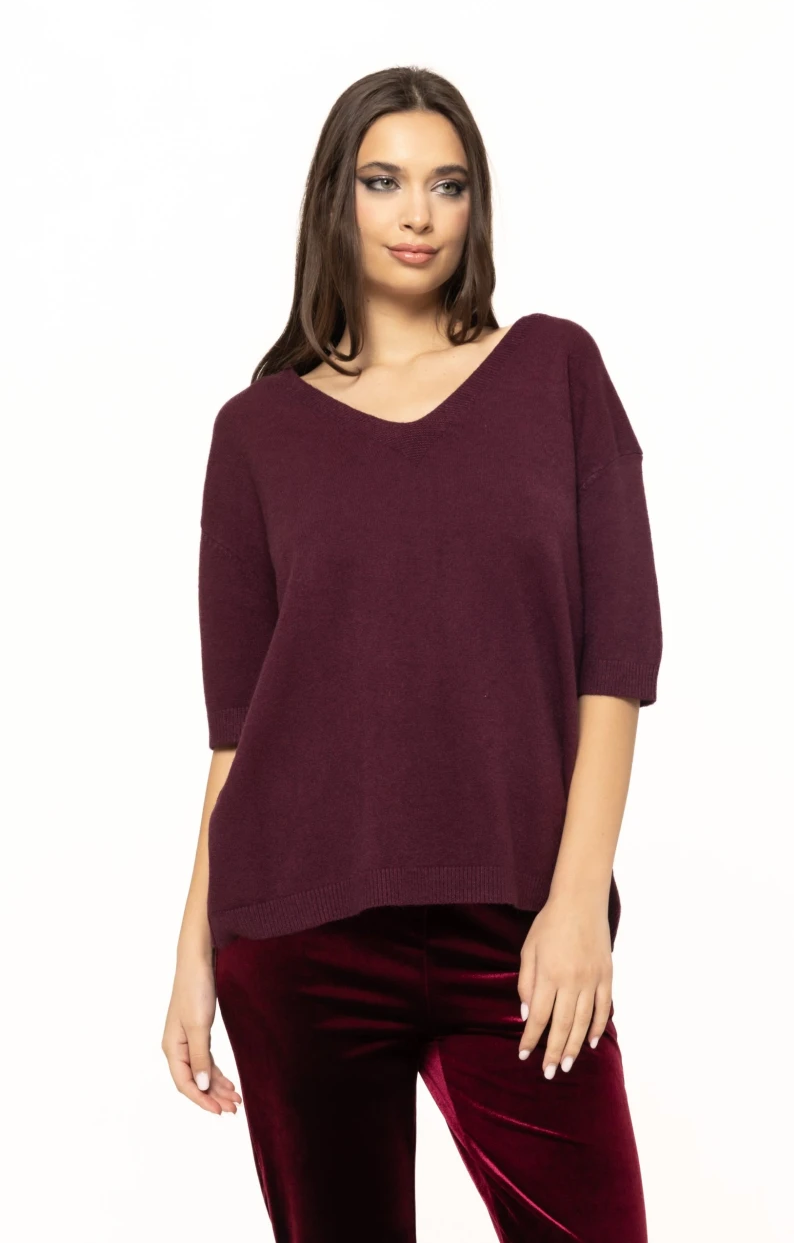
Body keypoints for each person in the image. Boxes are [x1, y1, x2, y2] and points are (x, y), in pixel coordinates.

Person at [162, 64, 663, 1243]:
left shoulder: (555, 370)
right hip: (297, 932)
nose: (418, 214)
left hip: (514, 921)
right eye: (383, 181)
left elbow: (616, 656)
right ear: (335, 200)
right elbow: (238, 731)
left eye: (447, 184)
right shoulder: (257, 431)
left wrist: (576, 899)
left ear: (474, 204)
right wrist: (192, 951)